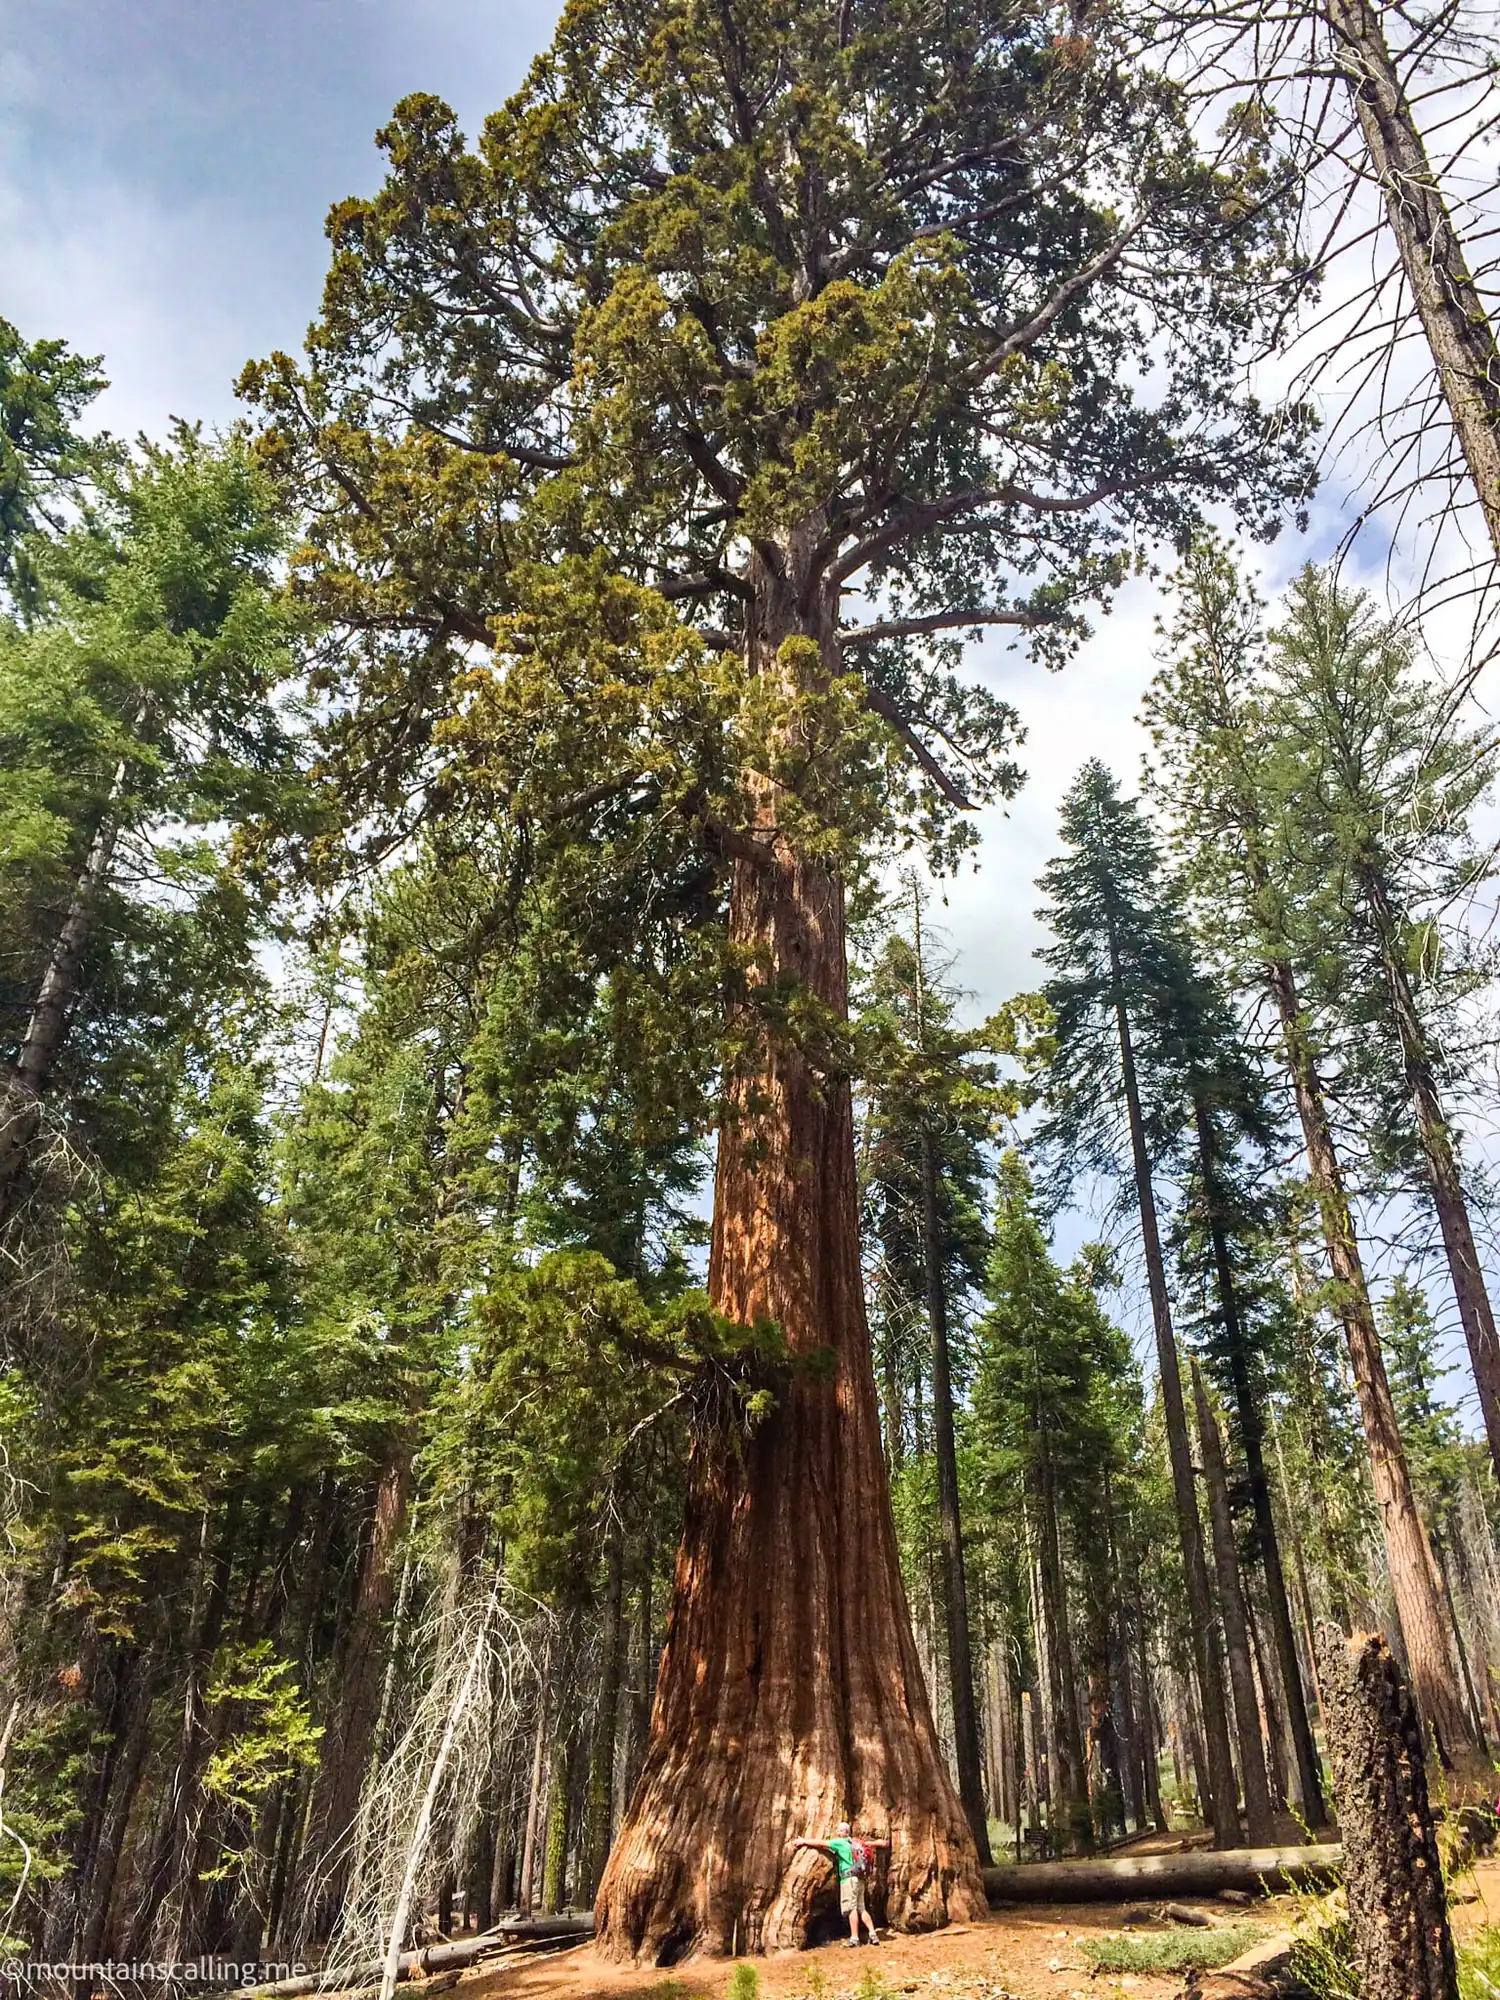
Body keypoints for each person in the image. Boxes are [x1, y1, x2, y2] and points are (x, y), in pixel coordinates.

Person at [793, 1820, 889, 1946]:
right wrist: (879, 1843)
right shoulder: (855, 1843)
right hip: (859, 1878)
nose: (837, 1833)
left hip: (848, 1879)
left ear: (844, 1832)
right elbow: (868, 1844)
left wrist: (804, 1841)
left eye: (839, 1830)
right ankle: (873, 1934)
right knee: (862, 1908)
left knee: (851, 1909)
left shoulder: (839, 1843)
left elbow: (822, 1843)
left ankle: (854, 1938)